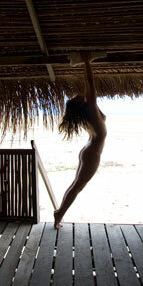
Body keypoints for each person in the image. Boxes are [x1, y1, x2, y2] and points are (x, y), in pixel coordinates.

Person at [54, 52, 107, 228]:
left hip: (88, 151)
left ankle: (59, 213)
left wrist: (86, 63)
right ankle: (59, 215)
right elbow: (89, 83)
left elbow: (87, 88)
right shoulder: (91, 108)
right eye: (76, 97)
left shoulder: (90, 111)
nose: (78, 94)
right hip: (91, 153)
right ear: (80, 104)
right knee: (77, 187)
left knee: (76, 185)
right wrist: (86, 62)